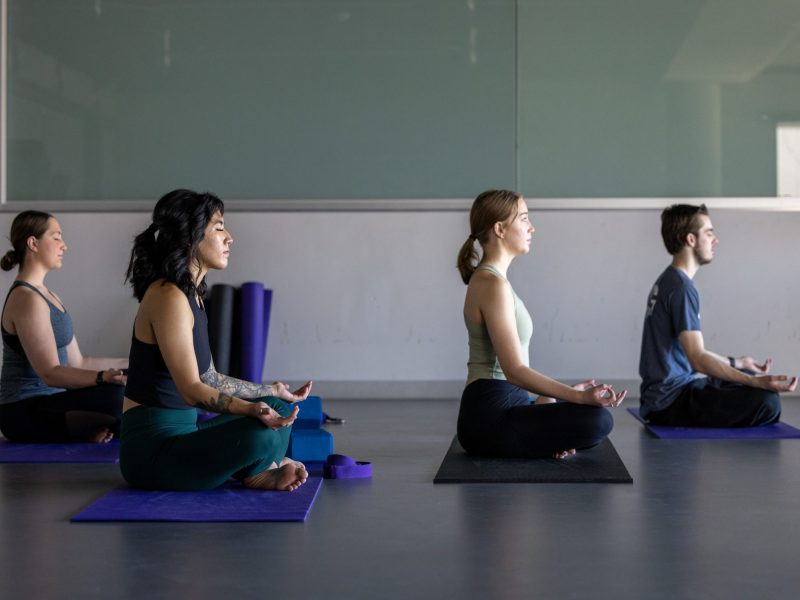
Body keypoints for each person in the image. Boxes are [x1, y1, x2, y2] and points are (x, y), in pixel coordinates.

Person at [120, 189, 311, 491]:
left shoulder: (191, 294)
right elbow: (192, 391)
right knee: (258, 429)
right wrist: (251, 409)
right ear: (190, 236)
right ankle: (260, 469)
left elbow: (208, 376)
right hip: (152, 453)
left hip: (185, 433)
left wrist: (269, 391)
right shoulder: (167, 296)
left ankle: (261, 467)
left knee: (277, 405)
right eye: (219, 227)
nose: (229, 237)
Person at [455, 189, 625, 459]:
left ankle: (542, 435)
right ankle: (542, 437)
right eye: (523, 219)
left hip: (508, 403)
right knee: (599, 421)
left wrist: (552, 400)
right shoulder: (491, 284)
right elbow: (513, 371)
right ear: (499, 229)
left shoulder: (495, 281)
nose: (532, 227)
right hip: (488, 416)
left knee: (589, 417)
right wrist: (574, 396)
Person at [638, 204, 797, 426]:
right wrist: (756, 383)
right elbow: (697, 359)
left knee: (748, 381)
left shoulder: (669, 280)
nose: (716, 240)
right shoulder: (681, 289)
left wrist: (738, 362)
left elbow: (693, 354)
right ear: (691, 240)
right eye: (709, 233)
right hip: (670, 402)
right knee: (768, 402)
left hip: (666, 394)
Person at [0, 211, 127, 443]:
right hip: (24, 409)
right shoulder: (26, 299)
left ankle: (87, 428)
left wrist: (132, 364)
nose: (64, 246)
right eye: (56, 236)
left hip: (56, 401)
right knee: (118, 397)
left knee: (136, 384)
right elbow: (50, 373)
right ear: (33, 243)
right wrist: (103, 377)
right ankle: (87, 427)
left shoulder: (50, 296)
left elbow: (79, 362)